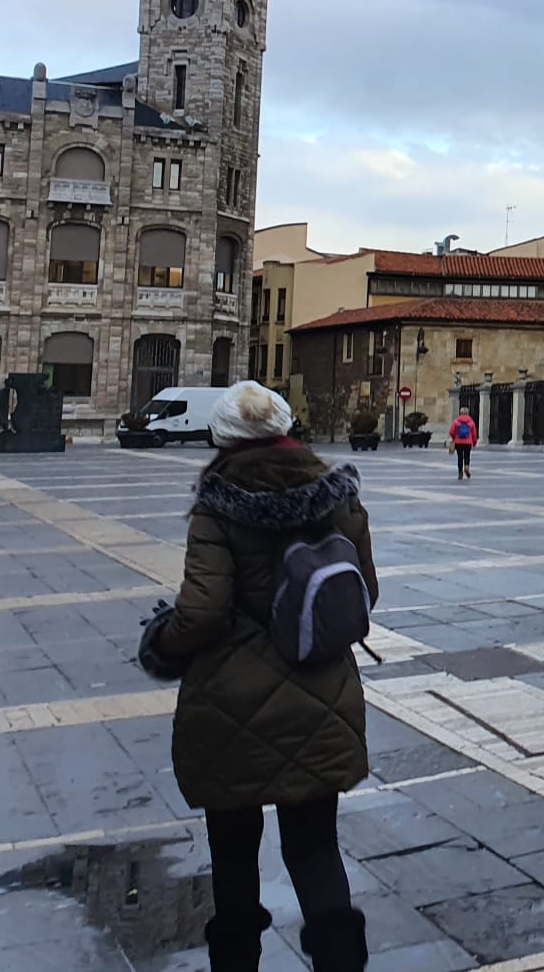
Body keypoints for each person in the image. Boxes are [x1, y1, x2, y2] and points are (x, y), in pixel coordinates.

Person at [157, 380, 378, 971]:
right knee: (315, 849)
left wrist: (161, 642)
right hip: (320, 694)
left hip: (231, 701)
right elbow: (365, 593)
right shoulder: (337, 497)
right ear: (286, 429)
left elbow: (201, 611)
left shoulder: (218, 502)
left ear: (221, 436)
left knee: (233, 854)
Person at [448, 409, 478, 481]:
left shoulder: (456, 422)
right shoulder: (471, 422)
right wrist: (474, 442)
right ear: (467, 413)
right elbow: (474, 434)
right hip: (468, 442)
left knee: (460, 457)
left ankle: (460, 473)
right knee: (467, 455)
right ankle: (466, 467)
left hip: (458, 442)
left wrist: (454, 437)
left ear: (460, 413)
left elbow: (451, 432)